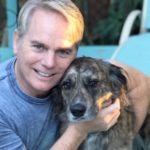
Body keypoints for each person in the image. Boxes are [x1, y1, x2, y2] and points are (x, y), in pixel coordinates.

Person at [0, 0, 149, 150]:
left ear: (75, 53)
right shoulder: (3, 107)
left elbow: (143, 84)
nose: (49, 63)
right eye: (39, 46)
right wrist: (80, 130)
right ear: (16, 41)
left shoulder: (89, 70)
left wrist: (121, 142)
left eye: (63, 51)